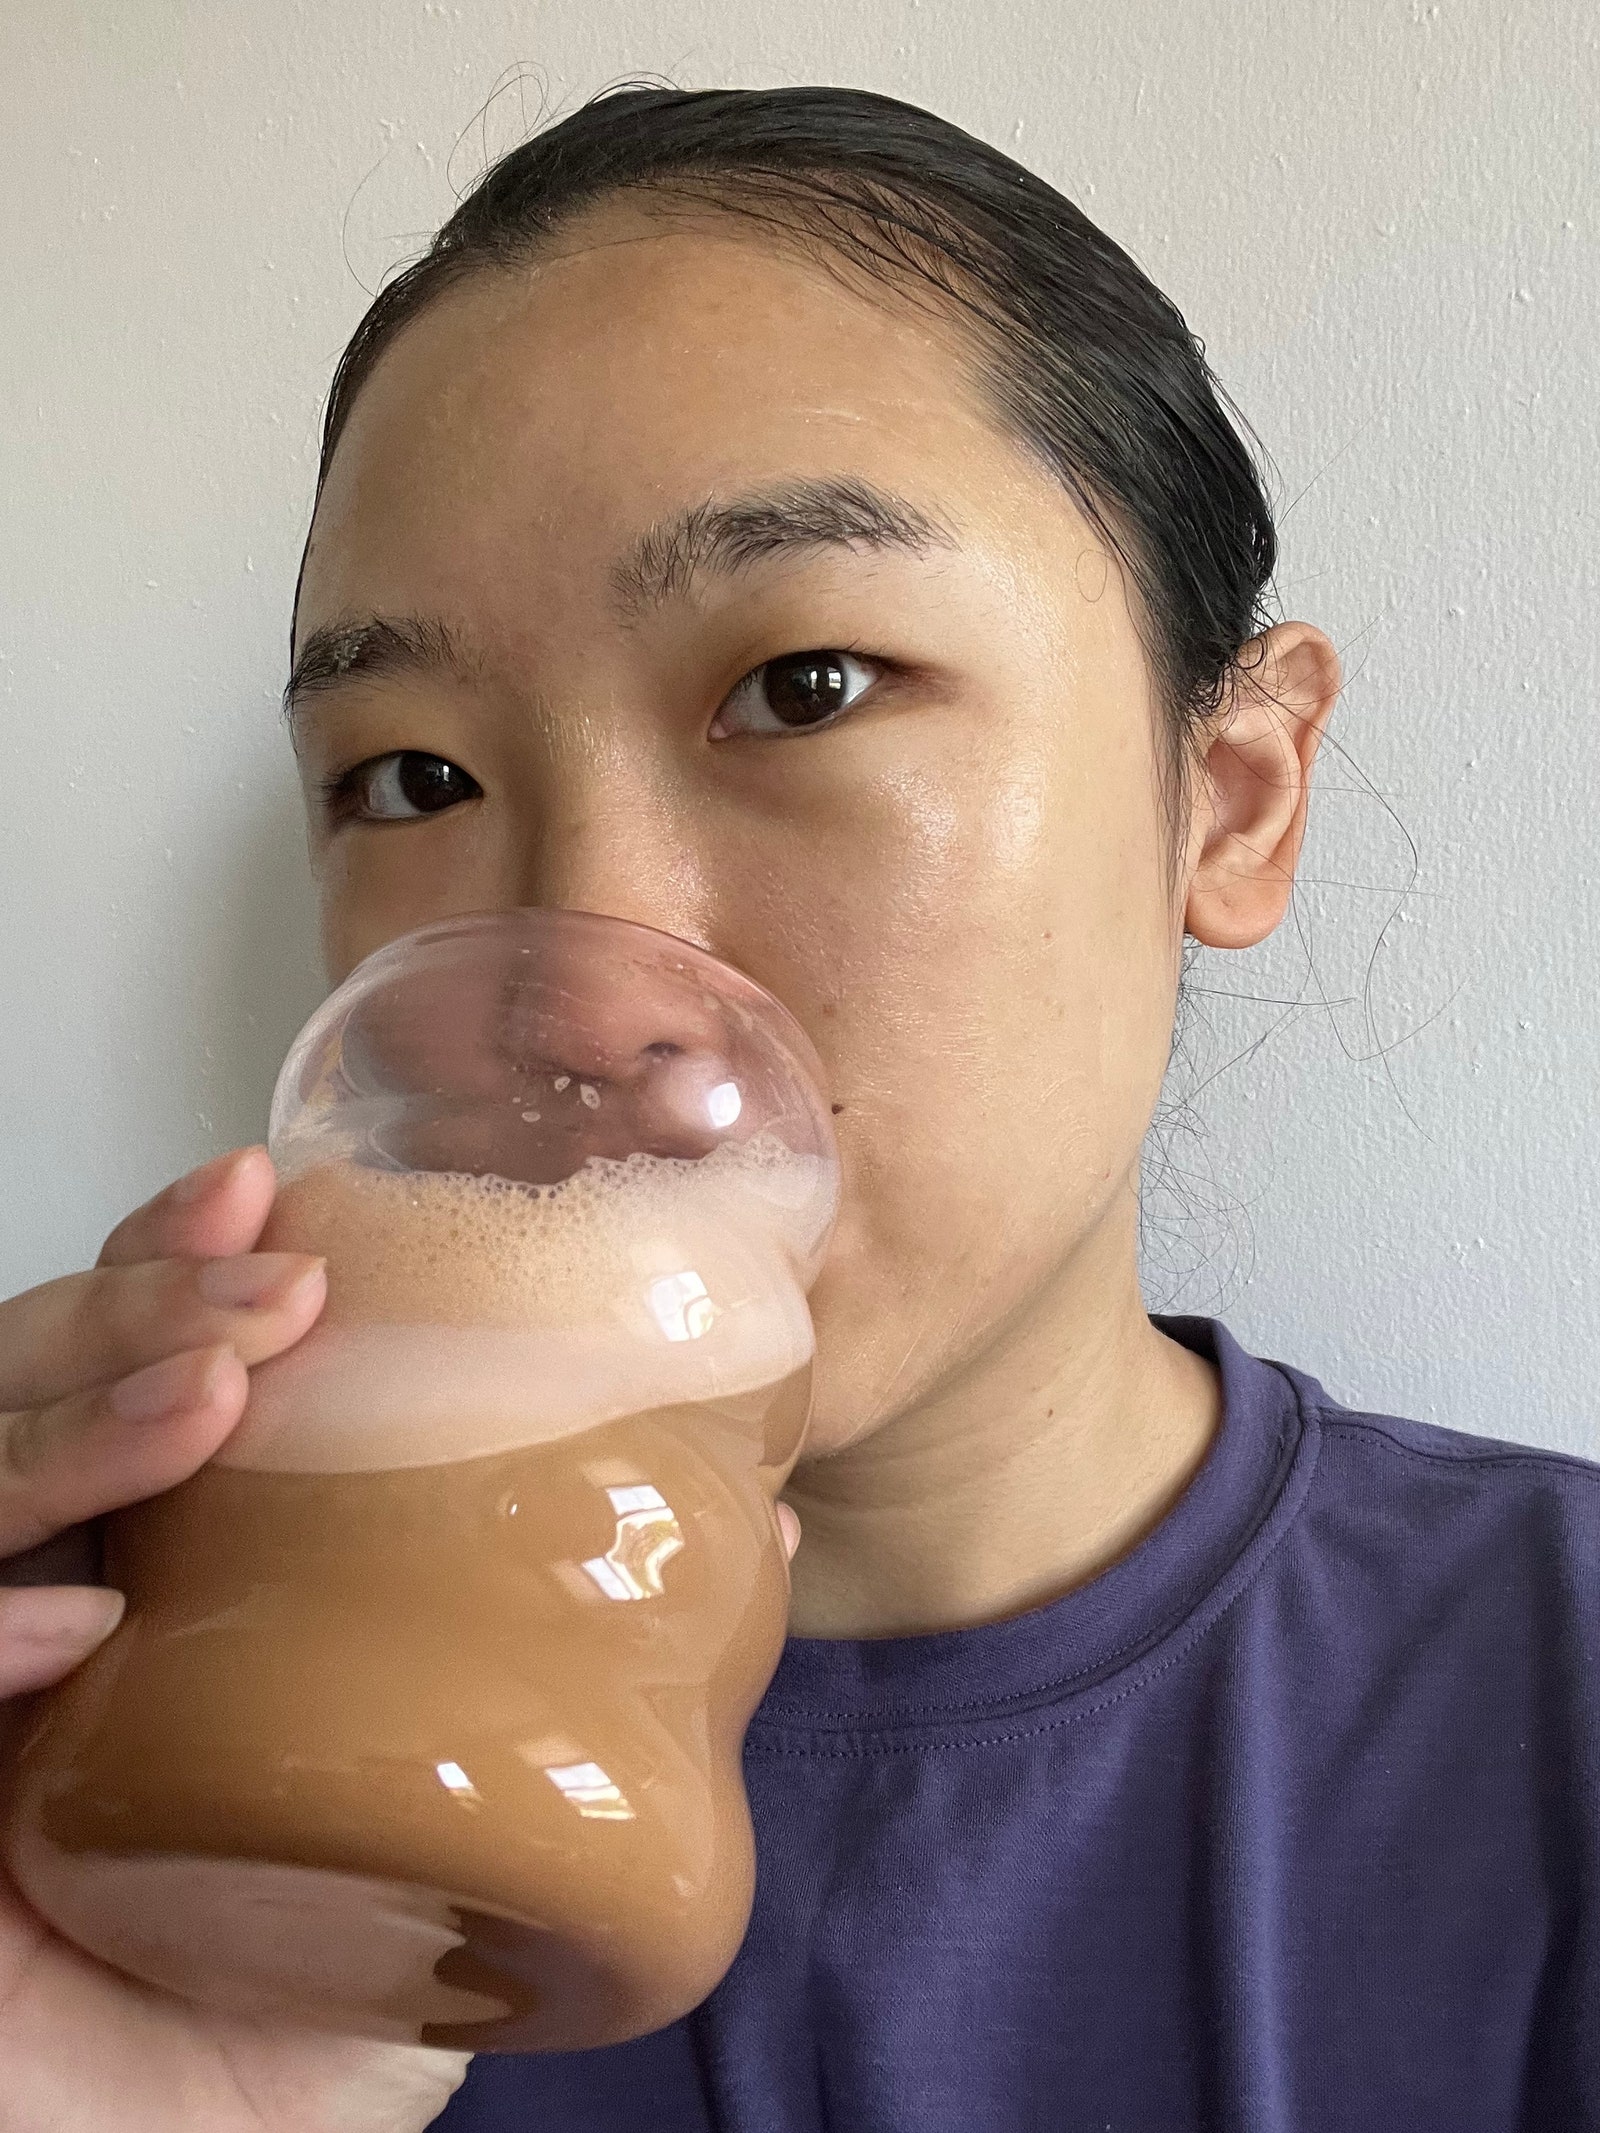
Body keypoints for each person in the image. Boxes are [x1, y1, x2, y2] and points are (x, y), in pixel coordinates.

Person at [1, 82, 1596, 2133]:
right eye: (409, 777)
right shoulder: (129, 1731)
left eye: (807, 683)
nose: (580, 979)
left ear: (1227, 795)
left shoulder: (1544, 1706)